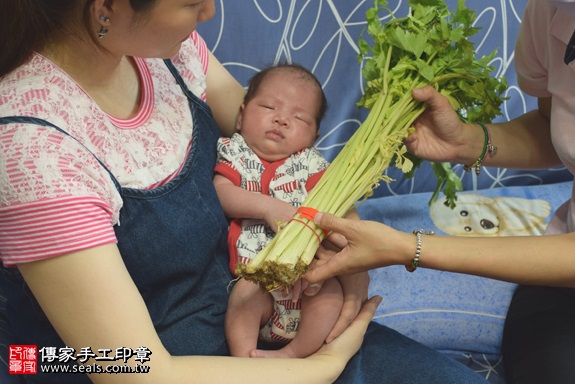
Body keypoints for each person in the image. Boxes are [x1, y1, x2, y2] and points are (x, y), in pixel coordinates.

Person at [0, 1, 489, 383]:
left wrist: (347, 262)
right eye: (192, 2)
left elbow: (289, 164)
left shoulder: (168, 50)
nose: (210, 12)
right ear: (105, 8)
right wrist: (313, 368)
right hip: (103, 365)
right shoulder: (34, 150)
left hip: (257, 317)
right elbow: (127, 368)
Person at [304, 0, 575, 383]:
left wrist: (406, 247)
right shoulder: (550, 8)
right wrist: (469, 142)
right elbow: (556, 128)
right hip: (557, 282)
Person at [214, 63, 344, 359]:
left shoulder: (312, 166)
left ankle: (291, 356)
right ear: (241, 115)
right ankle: (244, 358)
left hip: (307, 283)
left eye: (299, 117)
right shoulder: (236, 153)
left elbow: (337, 210)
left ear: (314, 137)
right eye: (269, 106)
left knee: (332, 296)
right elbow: (222, 193)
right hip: (257, 278)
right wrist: (266, 206)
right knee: (243, 296)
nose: (281, 119)